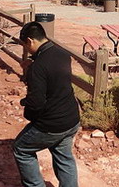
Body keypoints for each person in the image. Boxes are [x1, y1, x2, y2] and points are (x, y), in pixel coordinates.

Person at [13, 22, 80, 187]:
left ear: (30, 41)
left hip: (52, 123)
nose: (27, 50)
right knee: (64, 156)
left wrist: (27, 111)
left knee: (21, 149)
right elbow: (51, 70)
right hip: (71, 119)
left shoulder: (38, 67)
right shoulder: (62, 53)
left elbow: (35, 104)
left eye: (26, 46)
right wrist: (33, 61)